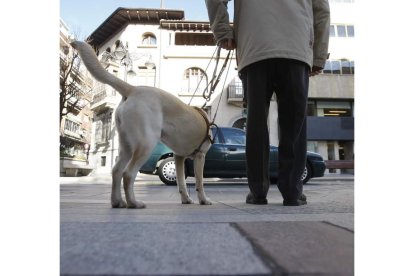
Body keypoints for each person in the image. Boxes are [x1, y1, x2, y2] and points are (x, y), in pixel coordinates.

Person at [205, 0, 330, 206]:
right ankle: (292, 192)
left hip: (254, 47)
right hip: (296, 46)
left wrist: (223, 32)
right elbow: (322, 12)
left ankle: (258, 191)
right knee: (294, 126)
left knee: (255, 124)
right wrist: (318, 55)